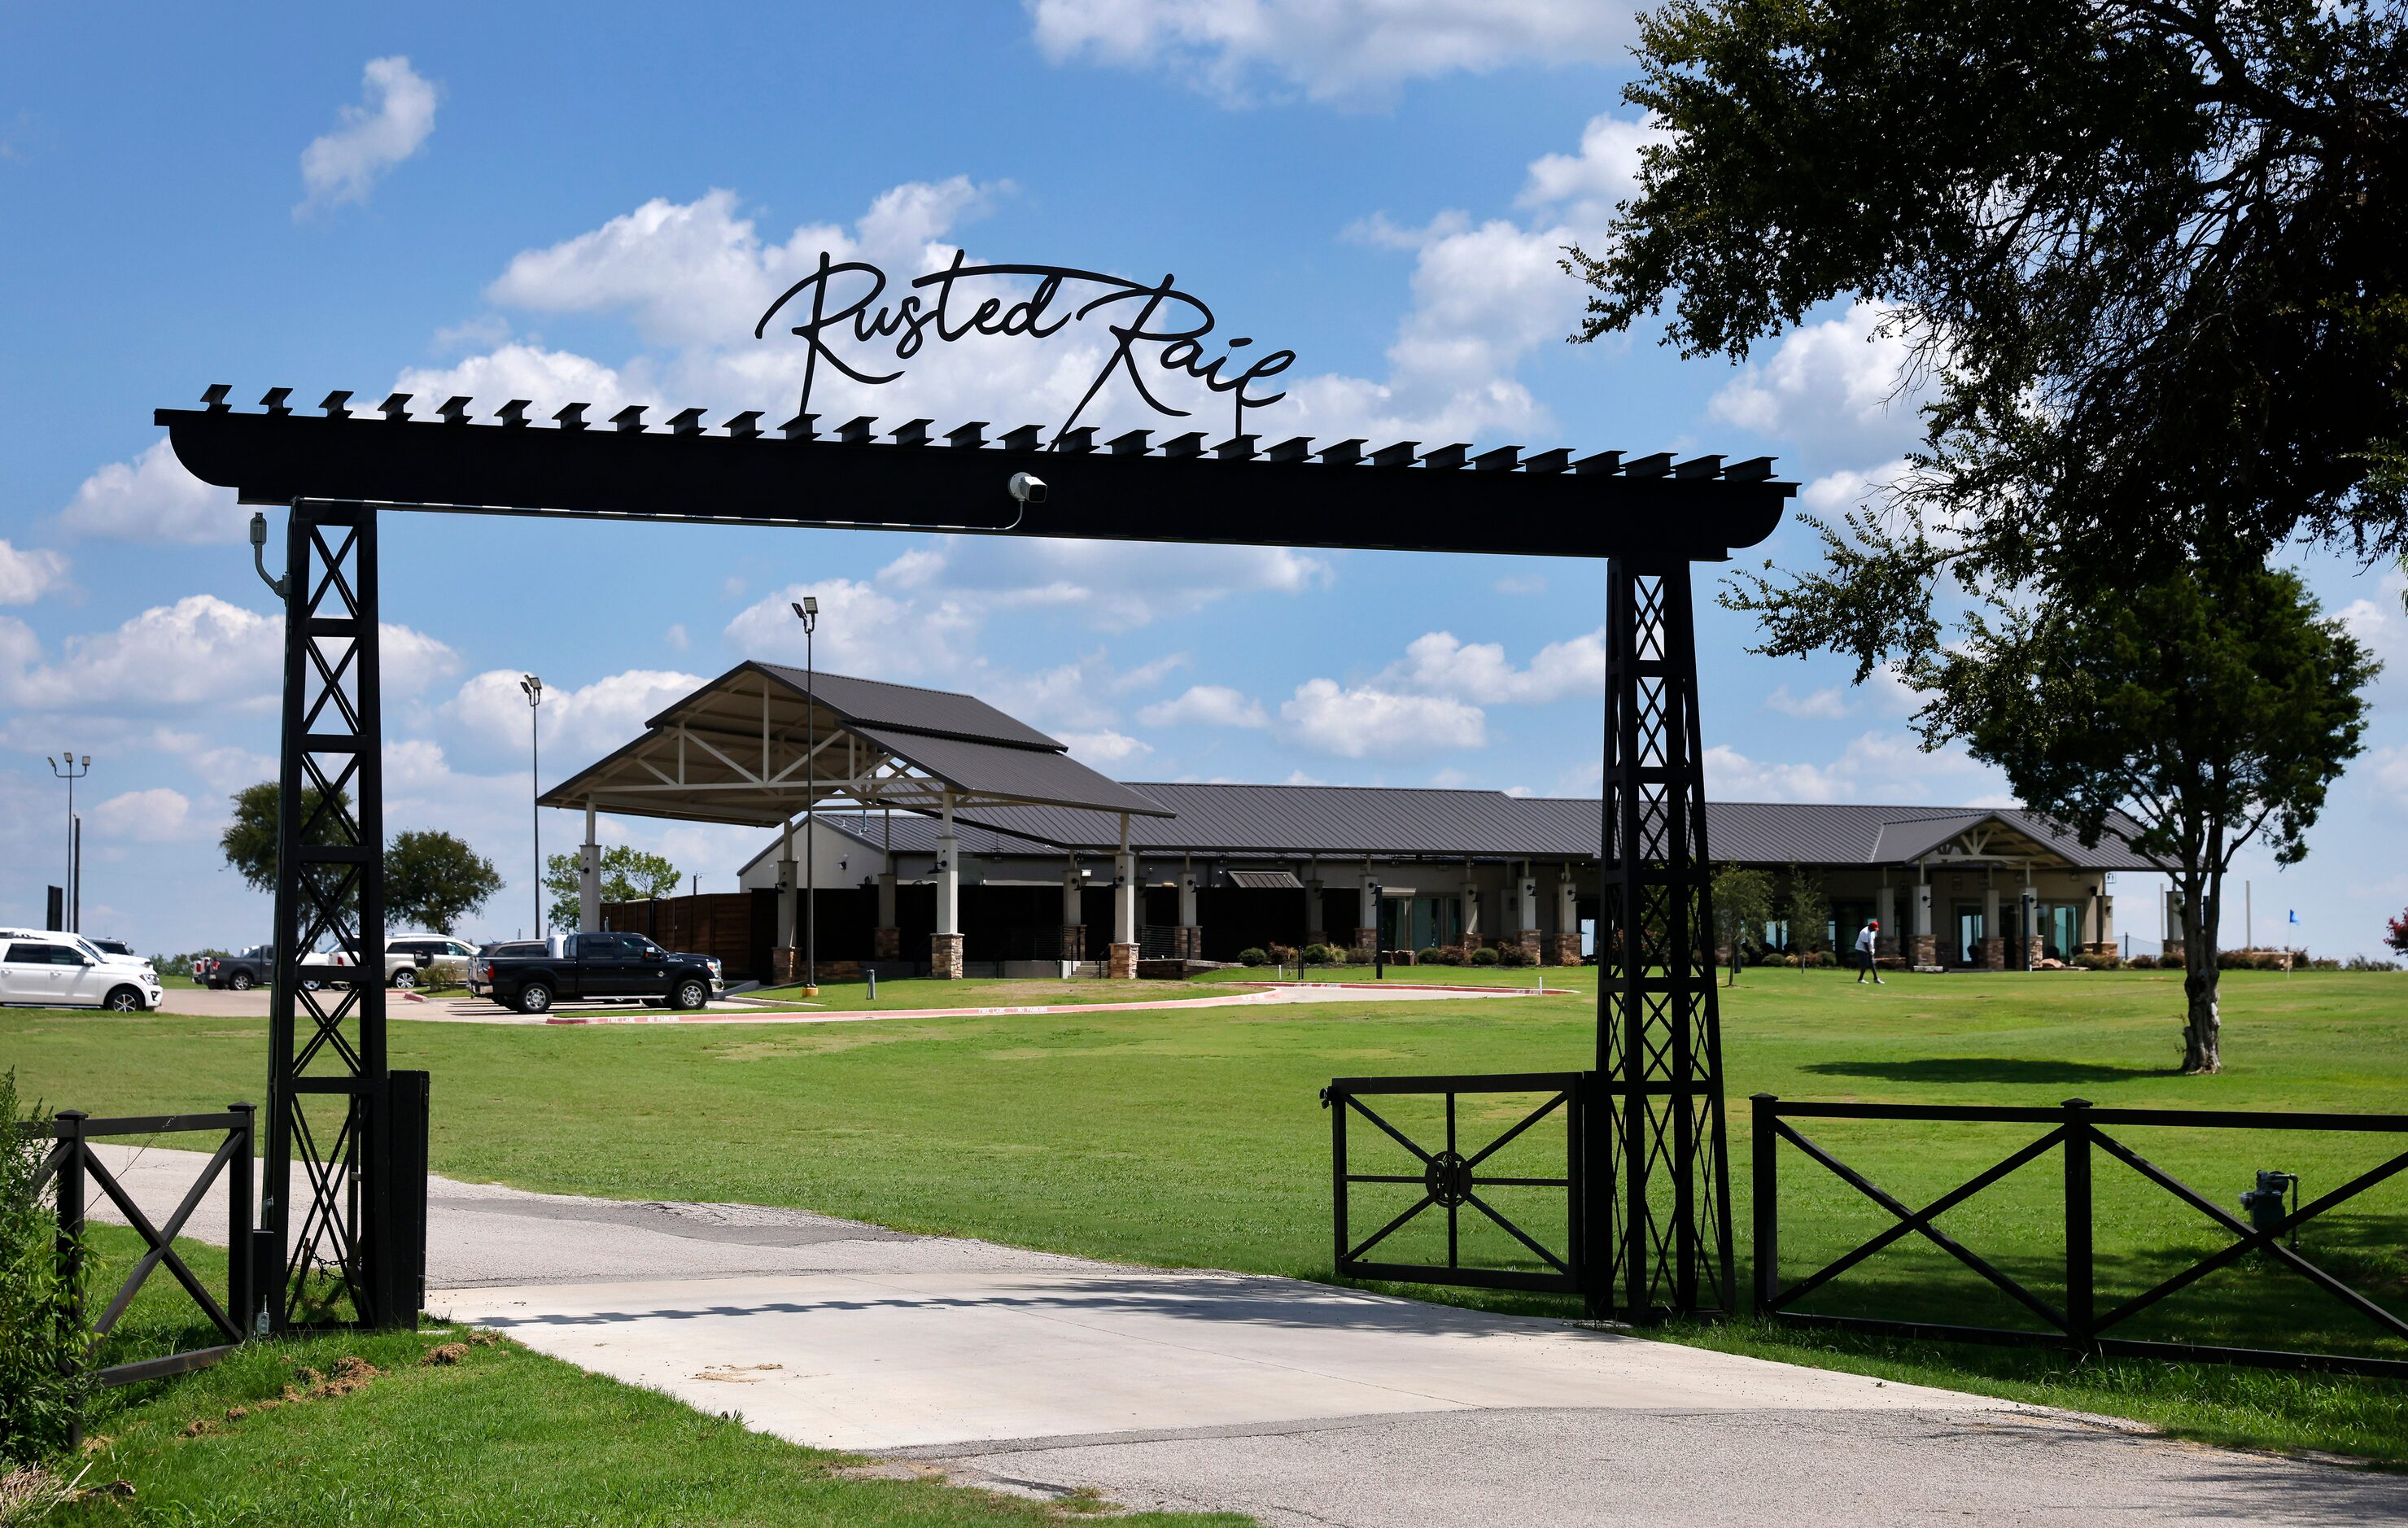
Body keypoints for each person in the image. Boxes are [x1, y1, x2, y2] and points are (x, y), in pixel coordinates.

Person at [1855, 919, 1885, 984]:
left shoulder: (1872, 931)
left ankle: (1876, 979)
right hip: (1861, 950)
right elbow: (1865, 944)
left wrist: (1872, 950)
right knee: (1864, 965)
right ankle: (1860, 979)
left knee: (1873, 964)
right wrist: (1869, 953)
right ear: (1870, 927)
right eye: (1874, 928)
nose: (1875, 930)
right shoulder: (1864, 932)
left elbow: (1872, 941)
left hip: (1868, 950)